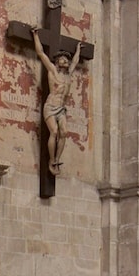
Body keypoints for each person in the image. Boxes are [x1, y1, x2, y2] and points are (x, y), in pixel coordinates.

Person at [32, 27, 83, 176]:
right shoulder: (53, 71)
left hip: (61, 108)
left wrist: (78, 49)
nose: (66, 61)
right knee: (54, 131)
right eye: (63, 59)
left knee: (64, 132)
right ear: (57, 61)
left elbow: (76, 61)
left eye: (67, 59)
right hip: (50, 106)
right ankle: (51, 160)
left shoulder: (69, 74)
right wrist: (35, 35)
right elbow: (41, 53)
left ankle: (57, 160)